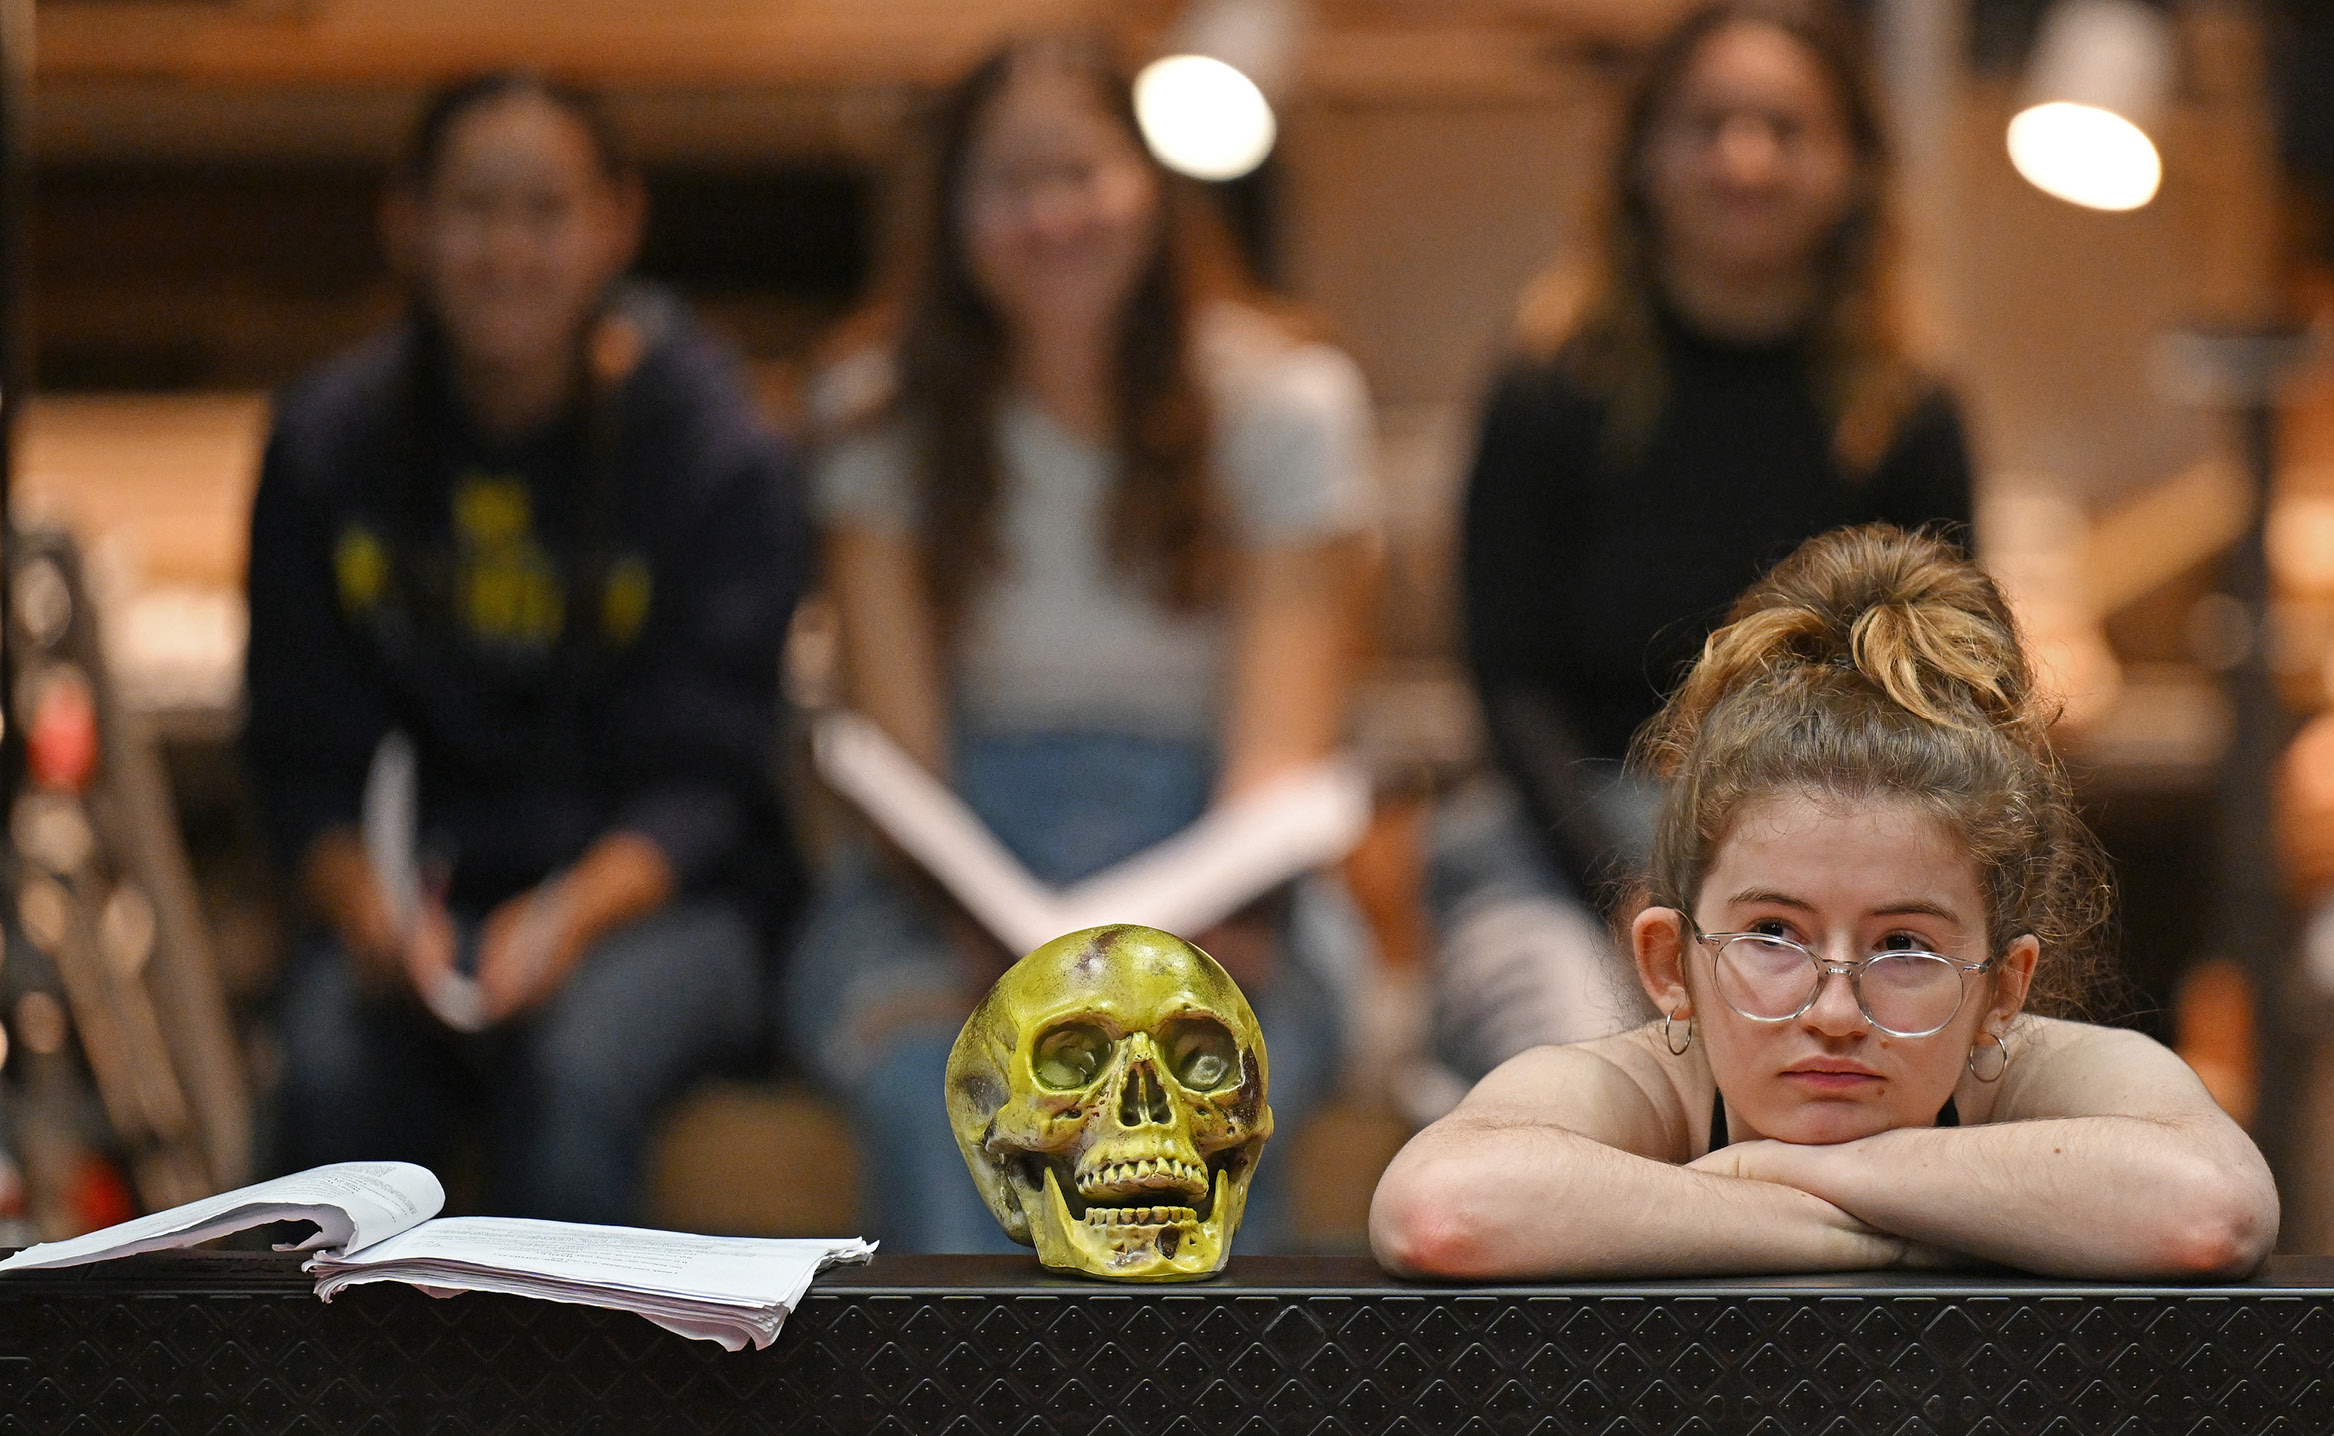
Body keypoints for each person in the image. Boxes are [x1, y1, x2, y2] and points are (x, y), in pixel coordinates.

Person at [789, 32, 1377, 1252]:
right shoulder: (874, 414)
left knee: (1206, 1097)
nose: (1052, 215)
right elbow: (903, 771)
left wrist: (1166, 958)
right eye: (1008, 183)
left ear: (1151, 187)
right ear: (951, 214)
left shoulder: (1285, 402)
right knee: (941, 1095)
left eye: (1083, 173)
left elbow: (1280, 757)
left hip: (1213, 873)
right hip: (948, 885)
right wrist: (1007, 951)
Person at [1372, 525, 2278, 1280]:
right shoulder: (1645, 1086)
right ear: (1669, 964)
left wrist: (1778, 1172)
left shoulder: (2036, 1072)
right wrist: (1870, 1221)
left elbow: (2210, 1211)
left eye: (1906, 947)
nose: (1836, 1012)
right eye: (1772, 934)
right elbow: (1441, 1213)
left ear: (2004, 989)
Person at [244, 73, 810, 1222]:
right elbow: (296, 749)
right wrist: (372, 913)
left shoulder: (713, 450)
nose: (507, 251)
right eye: (472, 209)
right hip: (412, 905)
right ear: (406, 220)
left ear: (618, 221)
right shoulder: (326, 441)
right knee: (329, 1069)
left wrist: (565, 921)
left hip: (661, 902)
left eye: (545, 212)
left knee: (576, 1072)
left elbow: (709, 777)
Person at [1430, 0, 1976, 1087]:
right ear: (1640, 157)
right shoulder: (1550, 387)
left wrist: (1798, 902)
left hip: (1829, 858)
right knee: (1591, 1072)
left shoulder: (1908, 410)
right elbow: (1508, 678)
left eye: (1785, 127)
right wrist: (1632, 883)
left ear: (1854, 164)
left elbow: (1944, 686)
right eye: (1706, 122)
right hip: (1562, 846)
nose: (1745, 159)